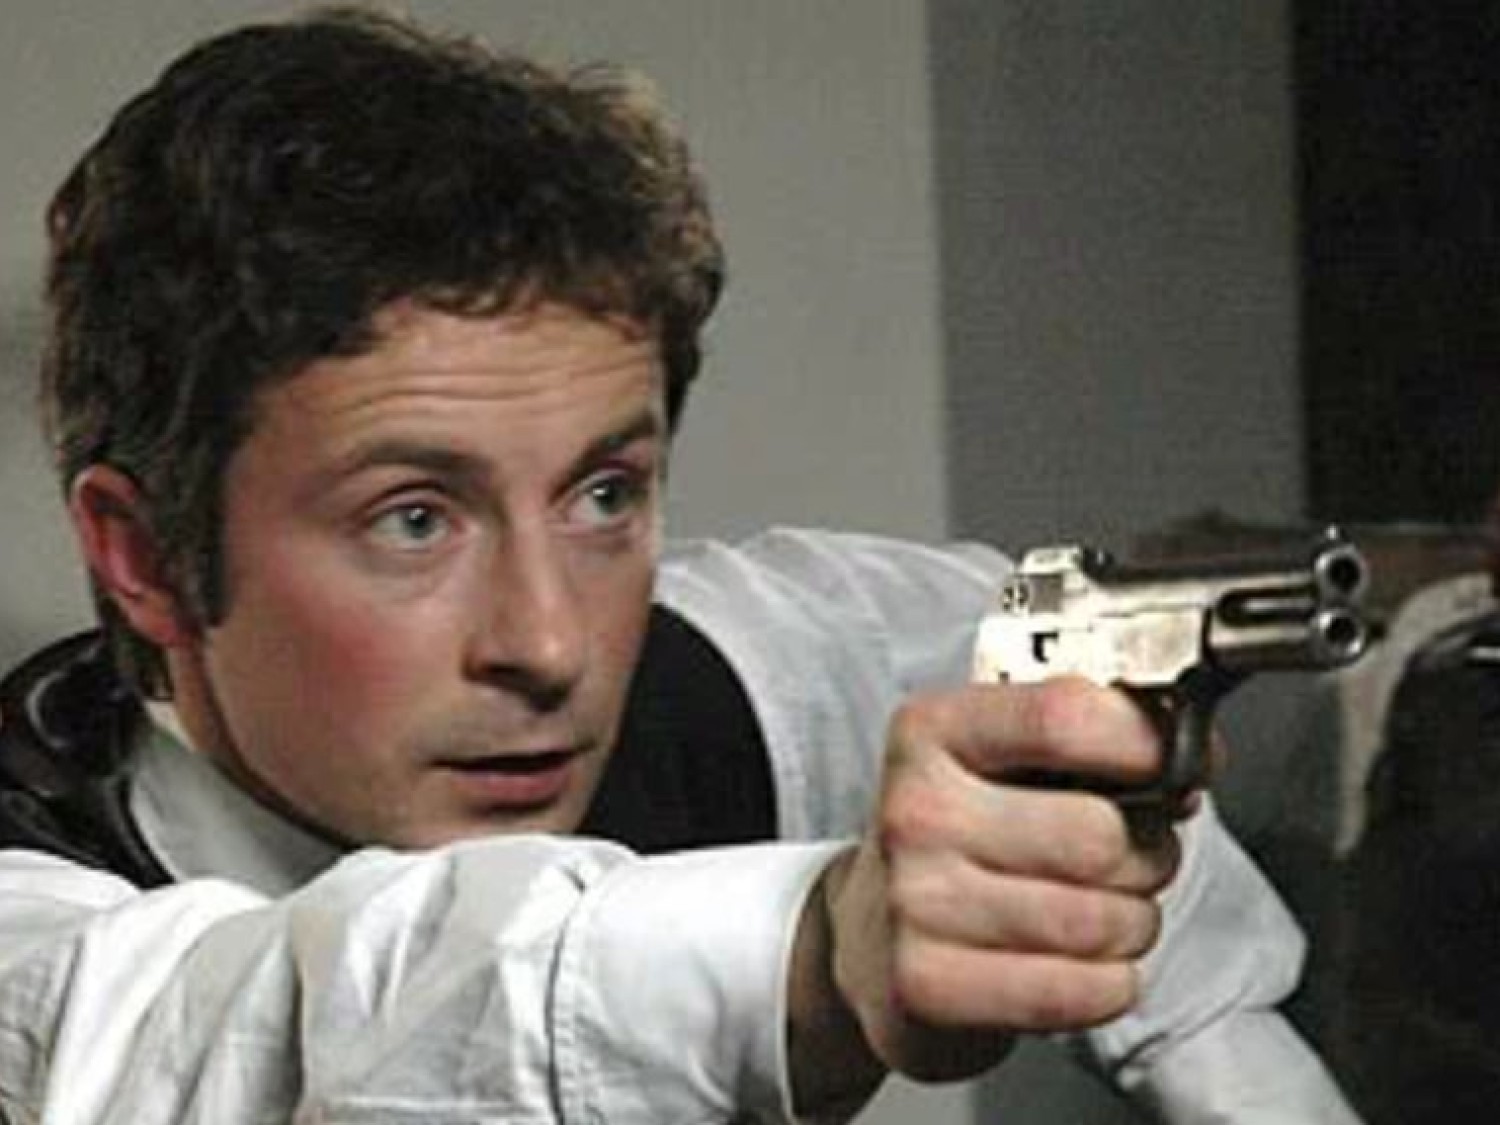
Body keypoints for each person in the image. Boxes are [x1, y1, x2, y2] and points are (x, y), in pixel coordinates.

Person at [0, 7, 1358, 1123]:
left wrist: (1191, 1015)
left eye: (603, 495)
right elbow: (285, 1030)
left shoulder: (732, 683)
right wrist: (818, 954)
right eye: (413, 519)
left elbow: (971, 645)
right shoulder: (31, 921)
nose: (551, 645)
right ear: (146, 557)